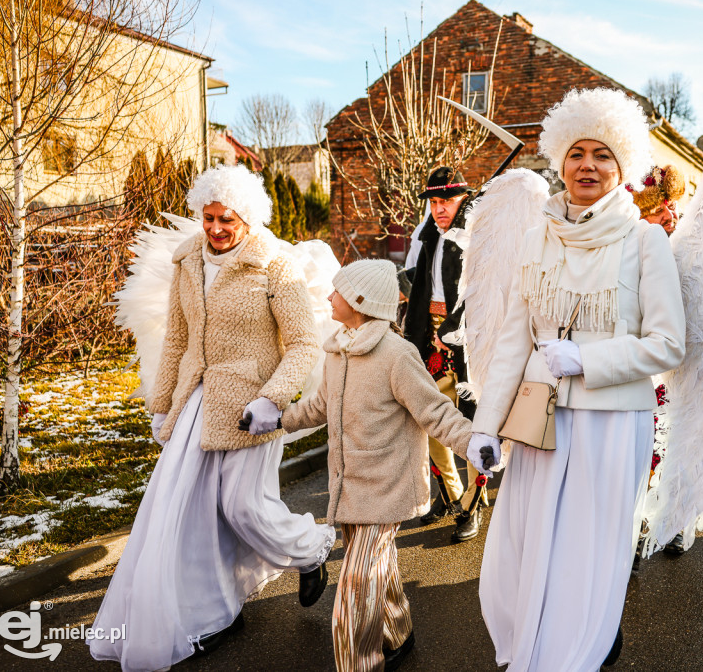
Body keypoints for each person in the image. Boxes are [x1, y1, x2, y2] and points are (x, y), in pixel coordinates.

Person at [465, 88, 686, 670]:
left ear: (623, 167)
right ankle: (535, 649)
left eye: (603, 155)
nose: (588, 165)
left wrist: (588, 360)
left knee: (586, 552)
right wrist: (485, 429)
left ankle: (579, 653)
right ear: (559, 159)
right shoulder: (535, 236)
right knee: (527, 544)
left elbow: (668, 344)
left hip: (611, 423)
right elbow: (514, 341)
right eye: (577, 152)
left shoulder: (646, 240)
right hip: (540, 422)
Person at [89, 165, 336, 671]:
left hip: (252, 408)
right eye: (209, 218)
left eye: (227, 219)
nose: (216, 228)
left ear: (247, 220)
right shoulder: (186, 262)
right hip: (195, 406)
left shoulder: (275, 266)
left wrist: (273, 399)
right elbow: (177, 342)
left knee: (244, 508)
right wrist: (162, 406)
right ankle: (210, 615)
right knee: (186, 516)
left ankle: (313, 547)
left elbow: (305, 343)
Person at [281, 259, 473, 672]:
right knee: (376, 573)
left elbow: (436, 413)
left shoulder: (397, 356)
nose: (330, 296)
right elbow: (319, 406)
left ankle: (361, 664)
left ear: (360, 301)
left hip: (387, 487)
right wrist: (277, 420)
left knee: (354, 587)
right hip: (348, 486)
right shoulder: (338, 351)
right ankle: (399, 633)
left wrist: (476, 445)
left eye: (337, 291)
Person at [404, 167, 487, 542]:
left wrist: (457, 327)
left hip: (467, 343)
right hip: (430, 338)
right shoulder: (428, 237)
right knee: (431, 420)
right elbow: (421, 286)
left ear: (463, 200)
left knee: (472, 425)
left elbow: (484, 292)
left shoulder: (477, 237)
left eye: (447, 201)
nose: (439, 209)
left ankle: (472, 503)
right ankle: (451, 495)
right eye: (434, 202)